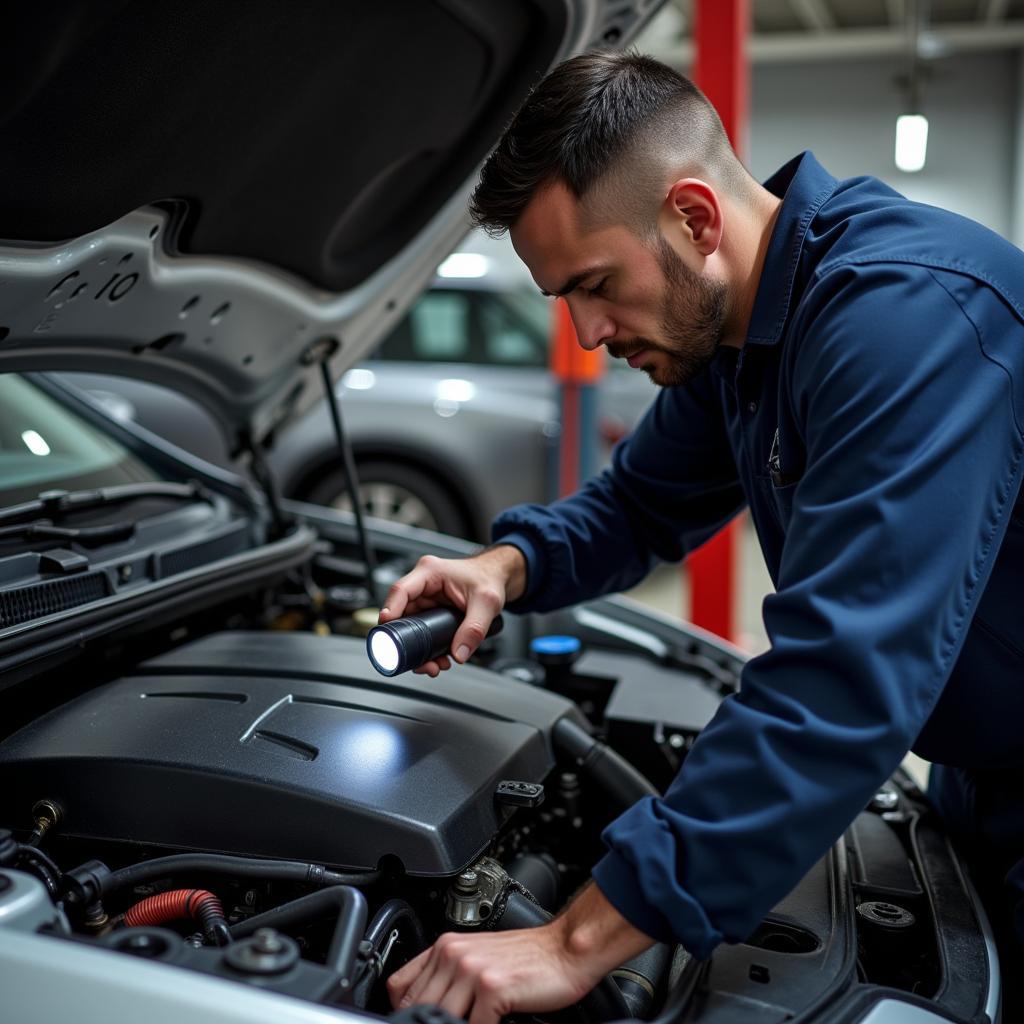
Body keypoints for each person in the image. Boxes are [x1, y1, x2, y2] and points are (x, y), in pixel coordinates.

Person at [385, 51, 1024, 1023]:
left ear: (691, 217)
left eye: (595, 283)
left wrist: (573, 940)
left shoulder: (903, 319)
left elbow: (838, 680)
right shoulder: (737, 337)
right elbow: (637, 506)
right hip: (983, 768)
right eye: (565, 299)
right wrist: (504, 567)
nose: (589, 332)